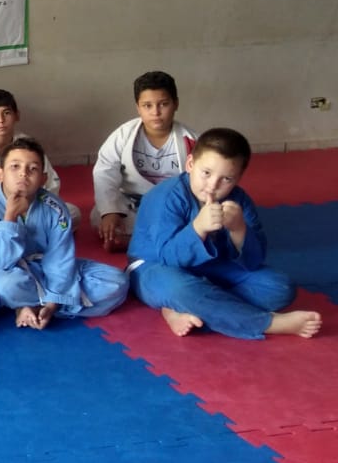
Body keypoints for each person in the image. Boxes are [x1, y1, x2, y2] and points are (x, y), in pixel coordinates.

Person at [128, 127, 322, 340]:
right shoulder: (165, 197)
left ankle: (180, 309)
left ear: (238, 178)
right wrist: (198, 228)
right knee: (180, 289)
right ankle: (269, 323)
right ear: (190, 164)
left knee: (279, 286)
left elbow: (254, 262)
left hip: (213, 268)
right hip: (155, 268)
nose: (213, 185)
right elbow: (169, 258)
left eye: (227, 179)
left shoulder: (239, 200)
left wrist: (239, 229)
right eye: (206, 173)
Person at [0, 138, 128, 328]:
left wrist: (53, 304)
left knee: (117, 282)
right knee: (5, 286)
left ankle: (34, 306)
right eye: (15, 166)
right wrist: (10, 217)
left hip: (48, 269)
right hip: (9, 272)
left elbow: (60, 257)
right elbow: (0, 262)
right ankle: (33, 304)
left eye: (33, 169)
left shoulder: (54, 207)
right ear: (0, 174)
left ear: (43, 179)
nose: (23, 173)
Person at [93, 71, 197, 252]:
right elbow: (105, 171)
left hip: (173, 206)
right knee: (97, 215)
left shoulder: (192, 140)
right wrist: (110, 211)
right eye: (147, 105)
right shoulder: (123, 135)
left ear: (176, 104)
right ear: (138, 108)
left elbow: (202, 181)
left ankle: (133, 242)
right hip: (133, 205)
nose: (155, 112)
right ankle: (166, 242)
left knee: (200, 217)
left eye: (163, 104)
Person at [0, 89, 80, 229]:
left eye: (6, 113)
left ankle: (27, 230)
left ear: (17, 115)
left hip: (28, 204)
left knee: (71, 212)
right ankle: (34, 232)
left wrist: (30, 206)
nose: (0, 120)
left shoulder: (27, 143)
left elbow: (49, 181)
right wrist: (10, 211)